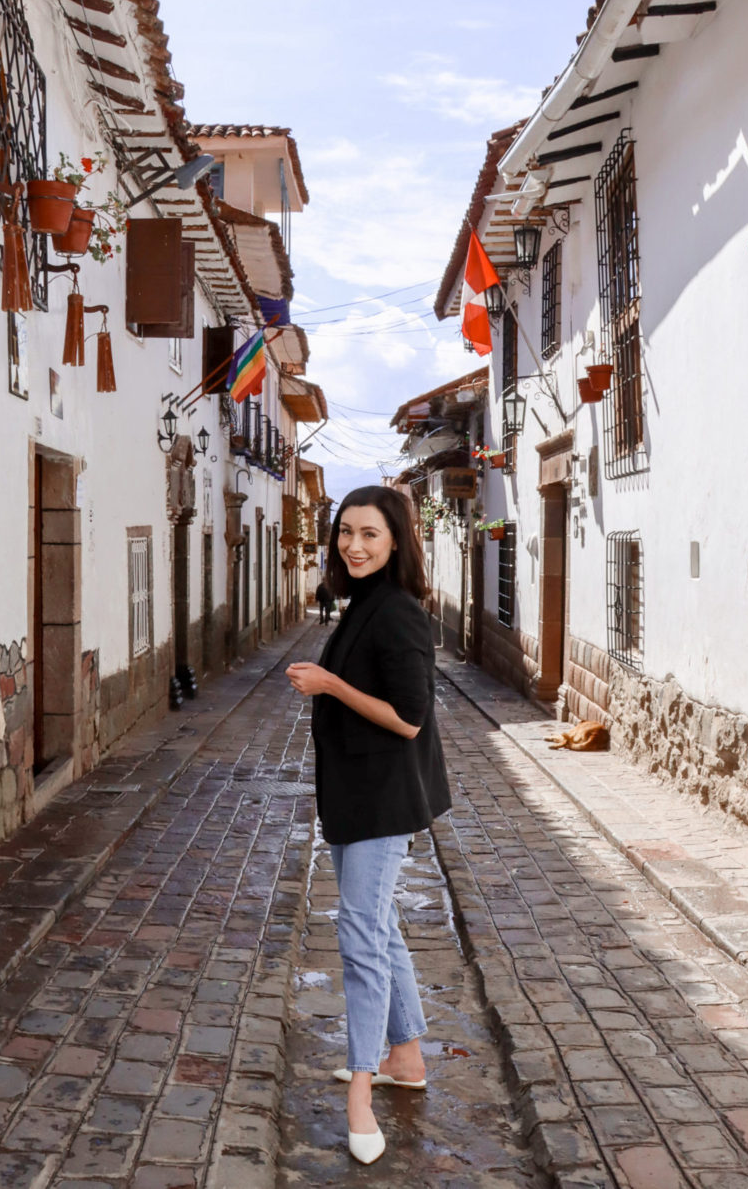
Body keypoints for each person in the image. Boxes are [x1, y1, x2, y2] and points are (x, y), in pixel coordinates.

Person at [286, 485, 451, 1166]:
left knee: (357, 934)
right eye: (345, 533)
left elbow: (408, 718)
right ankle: (406, 1059)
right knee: (377, 925)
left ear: (396, 542)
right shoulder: (364, 603)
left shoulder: (400, 615)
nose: (354, 545)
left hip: (383, 799)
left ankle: (360, 1089)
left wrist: (329, 687)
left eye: (369, 535)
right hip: (354, 796)